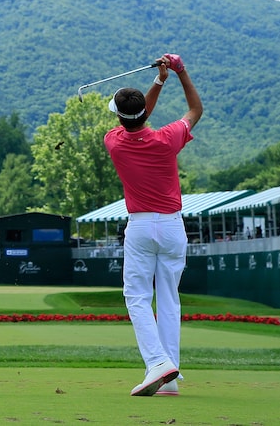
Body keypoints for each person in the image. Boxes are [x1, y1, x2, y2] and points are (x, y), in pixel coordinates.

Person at [103, 53, 202, 397]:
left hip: (141, 227)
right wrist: (178, 72)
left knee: (137, 297)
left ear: (118, 116)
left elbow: (137, 116)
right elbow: (195, 111)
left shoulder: (114, 141)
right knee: (169, 298)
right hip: (174, 227)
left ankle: (158, 362)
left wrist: (158, 83)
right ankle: (169, 378)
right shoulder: (168, 139)